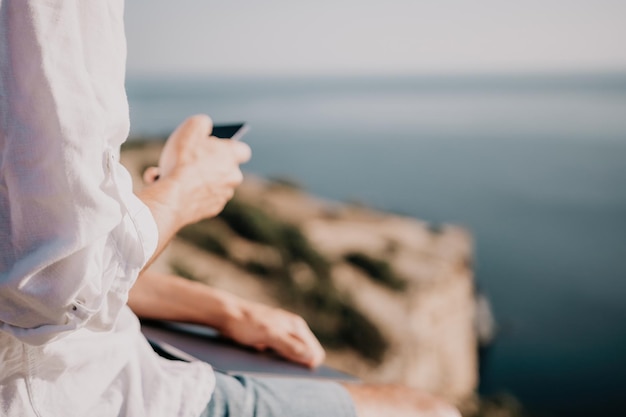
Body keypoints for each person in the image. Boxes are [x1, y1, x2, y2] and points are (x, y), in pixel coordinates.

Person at [0, 2, 461, 417]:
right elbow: (56, 285)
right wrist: (186, 188)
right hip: (75, 396)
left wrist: (222, 311)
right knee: (429, 411)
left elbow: (22, 271)